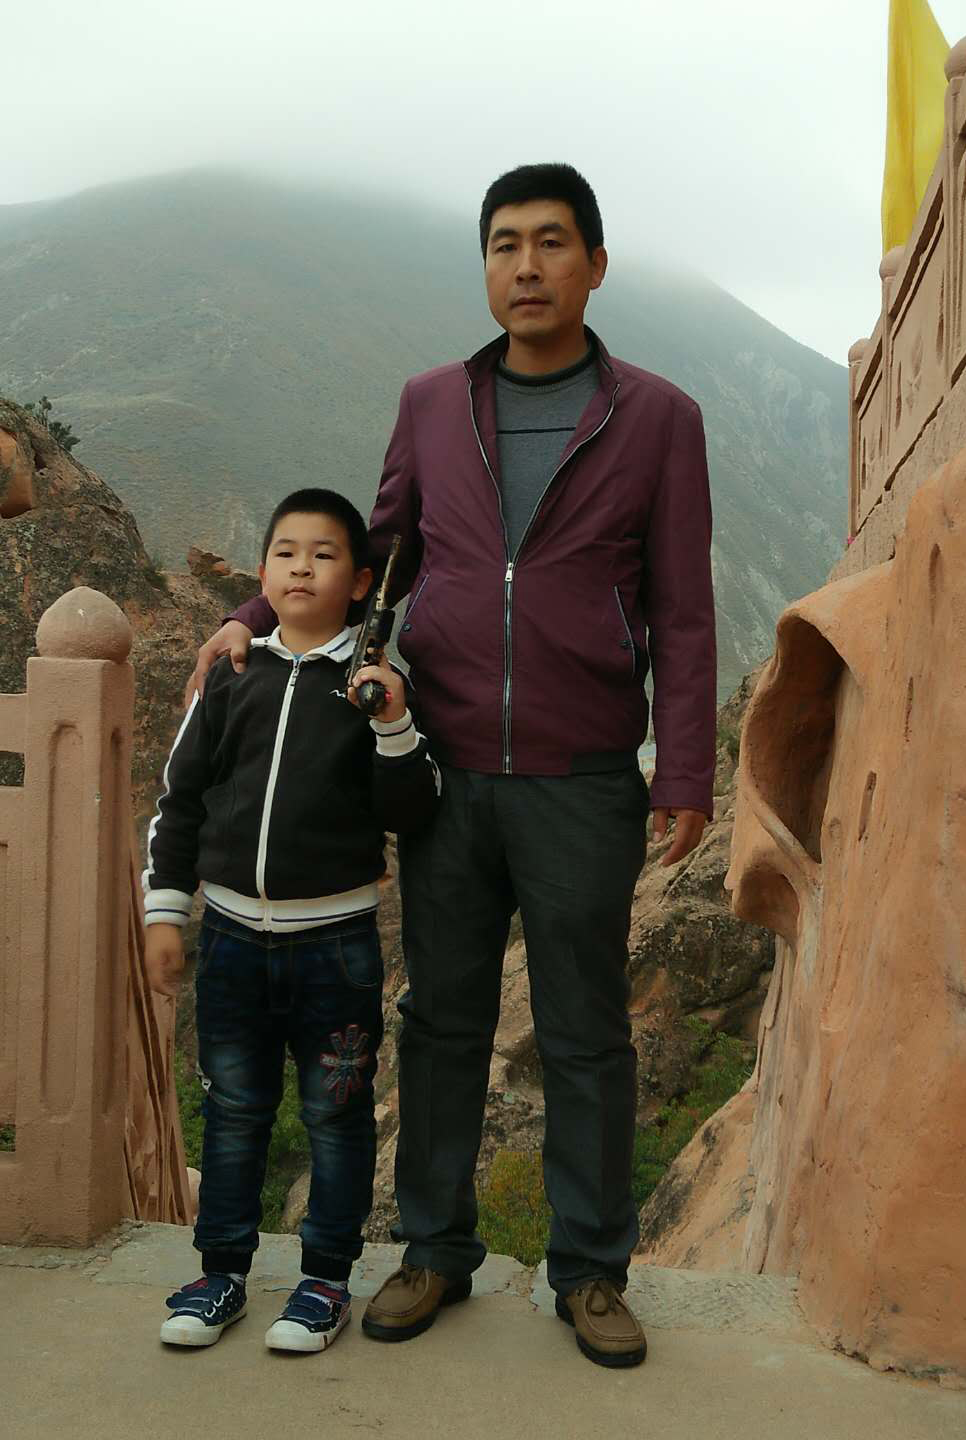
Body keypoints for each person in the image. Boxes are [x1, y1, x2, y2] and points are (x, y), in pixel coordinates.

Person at [187, 163, 716, 1369]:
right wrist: (251, 615)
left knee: (585, 1030)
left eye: (551, 243)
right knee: (440, 1022)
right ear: (484, 265)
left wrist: (684, 765)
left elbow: (683, 608)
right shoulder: (432, 402)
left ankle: (591, 1271)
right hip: (444, 768)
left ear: (595, 263)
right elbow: (375, 553)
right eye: (503, 244)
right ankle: (433, 1249)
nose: (526, 266)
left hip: (586, 774)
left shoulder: (659, 417)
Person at [145, 487, 440, 1353]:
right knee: (233, 1109)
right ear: (262, 570)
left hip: (336, 949)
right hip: (230, 939)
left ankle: (324, 1283)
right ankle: (220, 1275)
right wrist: (166, 911)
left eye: (323, 554)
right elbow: (180, 799)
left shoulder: (374, 688)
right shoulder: (231, 674)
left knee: (334, 1117)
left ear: (361, 583)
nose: (301, 568)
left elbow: (414, 808)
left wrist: (392, 722)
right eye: (285, 552)